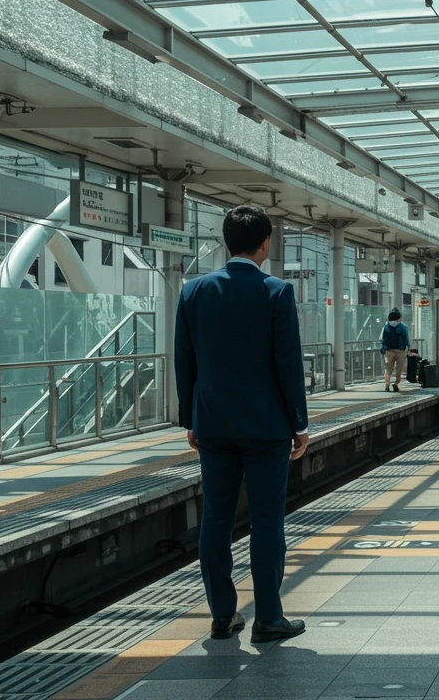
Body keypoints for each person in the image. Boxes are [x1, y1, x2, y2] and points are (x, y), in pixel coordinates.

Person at [174, 204, 308, 644]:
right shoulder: (276, 292)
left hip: (212, 424)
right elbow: (287, 364)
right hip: (267, 427)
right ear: (265, 244)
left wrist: (190, 419)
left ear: (225, 242)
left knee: (216, 519)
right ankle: (268, 617)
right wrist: (299, 423)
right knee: (267, 520)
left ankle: (222, 615)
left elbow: (185, 362)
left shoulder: (193, 292)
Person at [381, 309, 409, 392]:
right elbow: (406, 339)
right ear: (399, 318)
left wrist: (384, 347)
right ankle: (396, 384)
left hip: (389, 351)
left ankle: (387, 385)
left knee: (388, 369)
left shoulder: (386, 327)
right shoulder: (403, 327)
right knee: (399, 370)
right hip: (400, 351)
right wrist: (409, 348)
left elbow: (384, 339)